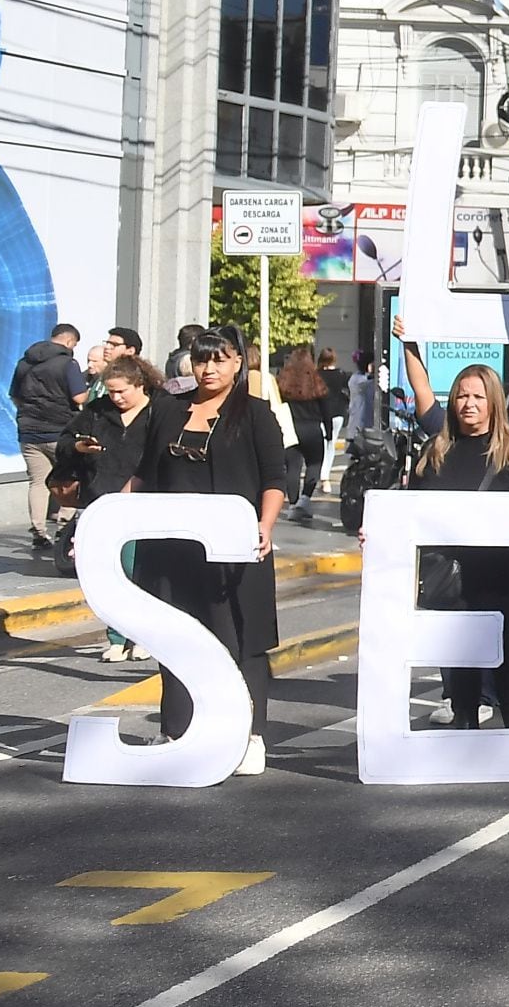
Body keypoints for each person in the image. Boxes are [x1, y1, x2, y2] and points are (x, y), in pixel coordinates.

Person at [120, 331, 290, 776]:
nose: (208, 369)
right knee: (175, 638)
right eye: (201, 360)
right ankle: (174, 729)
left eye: (219, 360)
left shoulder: (256, 415)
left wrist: (265, 525)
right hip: (172, 550)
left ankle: (251, 735)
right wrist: (109, 517)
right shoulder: (167, 409)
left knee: (243, 640)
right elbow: (144, 474)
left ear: (238, 364)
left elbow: (275, 478)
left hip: (235, 551)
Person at [398, 346, 509, 730]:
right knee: (458, 654)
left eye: (478, 396)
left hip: (500, 575)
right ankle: (464, 723)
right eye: (462, 395)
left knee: (506, 654)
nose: (469, 404)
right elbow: (409, 511)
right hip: (450, 576)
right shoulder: (434, 451)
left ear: (493, 403)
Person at [76, 352, 166, 658]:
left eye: (121, 391)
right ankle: (116, 637)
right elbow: (67, 440)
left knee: (140, 570)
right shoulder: (98, 411)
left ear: (139, 385)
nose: (115, 398)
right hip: (105, 500)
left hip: (145, 503)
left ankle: (145, 636)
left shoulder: (159, 413)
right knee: (112, 572)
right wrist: (79, 446)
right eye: (110, 391)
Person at [11, 321, 92, 556]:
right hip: (60, 430)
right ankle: (64, 528)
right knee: (68, 477)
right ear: (69, 341)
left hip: (28, 430)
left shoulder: (25, 362)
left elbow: (15, 396)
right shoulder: (67, 363)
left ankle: (38, 532)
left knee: (37, 482)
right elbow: (79, 397)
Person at [275, 341, 333, 508]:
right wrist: (328, 433)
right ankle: (305, 499)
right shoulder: (316, 382)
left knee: (292, 466)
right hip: (312, 428)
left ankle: (293, 503)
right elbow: (326, 410)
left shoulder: (283, 382)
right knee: (314, 463)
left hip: (290, 428)